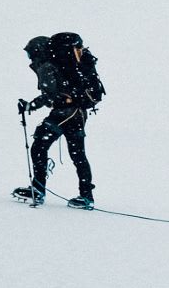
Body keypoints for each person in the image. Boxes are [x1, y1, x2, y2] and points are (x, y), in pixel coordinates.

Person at [13, 33, 104, 208]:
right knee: (78, 154)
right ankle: (86, 196)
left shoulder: (47, 65)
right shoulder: (60, 64)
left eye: (30, 53)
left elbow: (50, 95)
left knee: (40, 144)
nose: (30, 58)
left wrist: (30, 106)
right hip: (78, 113)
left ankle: (38, 189)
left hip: (65, 113)